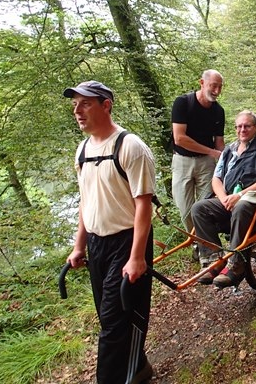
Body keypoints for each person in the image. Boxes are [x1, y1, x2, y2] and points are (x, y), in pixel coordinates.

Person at [64, 81, 155, 384]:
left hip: (127, 243)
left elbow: (144, 206)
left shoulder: (130, 147)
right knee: (109, 318)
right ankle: (138, 367)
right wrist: (79, 246)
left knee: (114, 325)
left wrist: (137, 257)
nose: (77, 110)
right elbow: (86, 201)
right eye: (75, 104)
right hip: (96, 245)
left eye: (85, 103)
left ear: (106, 105)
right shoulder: (83, 149)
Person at [191, 110, 256, 288]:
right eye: (239, 126)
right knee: (198, 208)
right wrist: (224, 198)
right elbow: (216, 179)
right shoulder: (229, 150)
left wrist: (239, 195)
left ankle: (237, 264)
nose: (242, 130)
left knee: (240, 207)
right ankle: (214, 260)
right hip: (229, 198)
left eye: (247, 126)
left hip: (255, 199)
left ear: (255, 128)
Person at [171, 69, 225, 234]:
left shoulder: (218, 111)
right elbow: (179, 138)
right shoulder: (183, 103)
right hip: (182, 161)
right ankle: (196, 242)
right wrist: (211, 151)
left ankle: (206, 248)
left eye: (220, 87)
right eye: (213, 86)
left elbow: (219, 143)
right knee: (185, 208)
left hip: (206, 164)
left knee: (205, 208)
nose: (216, 91)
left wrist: (226, 160)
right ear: (202, 83)